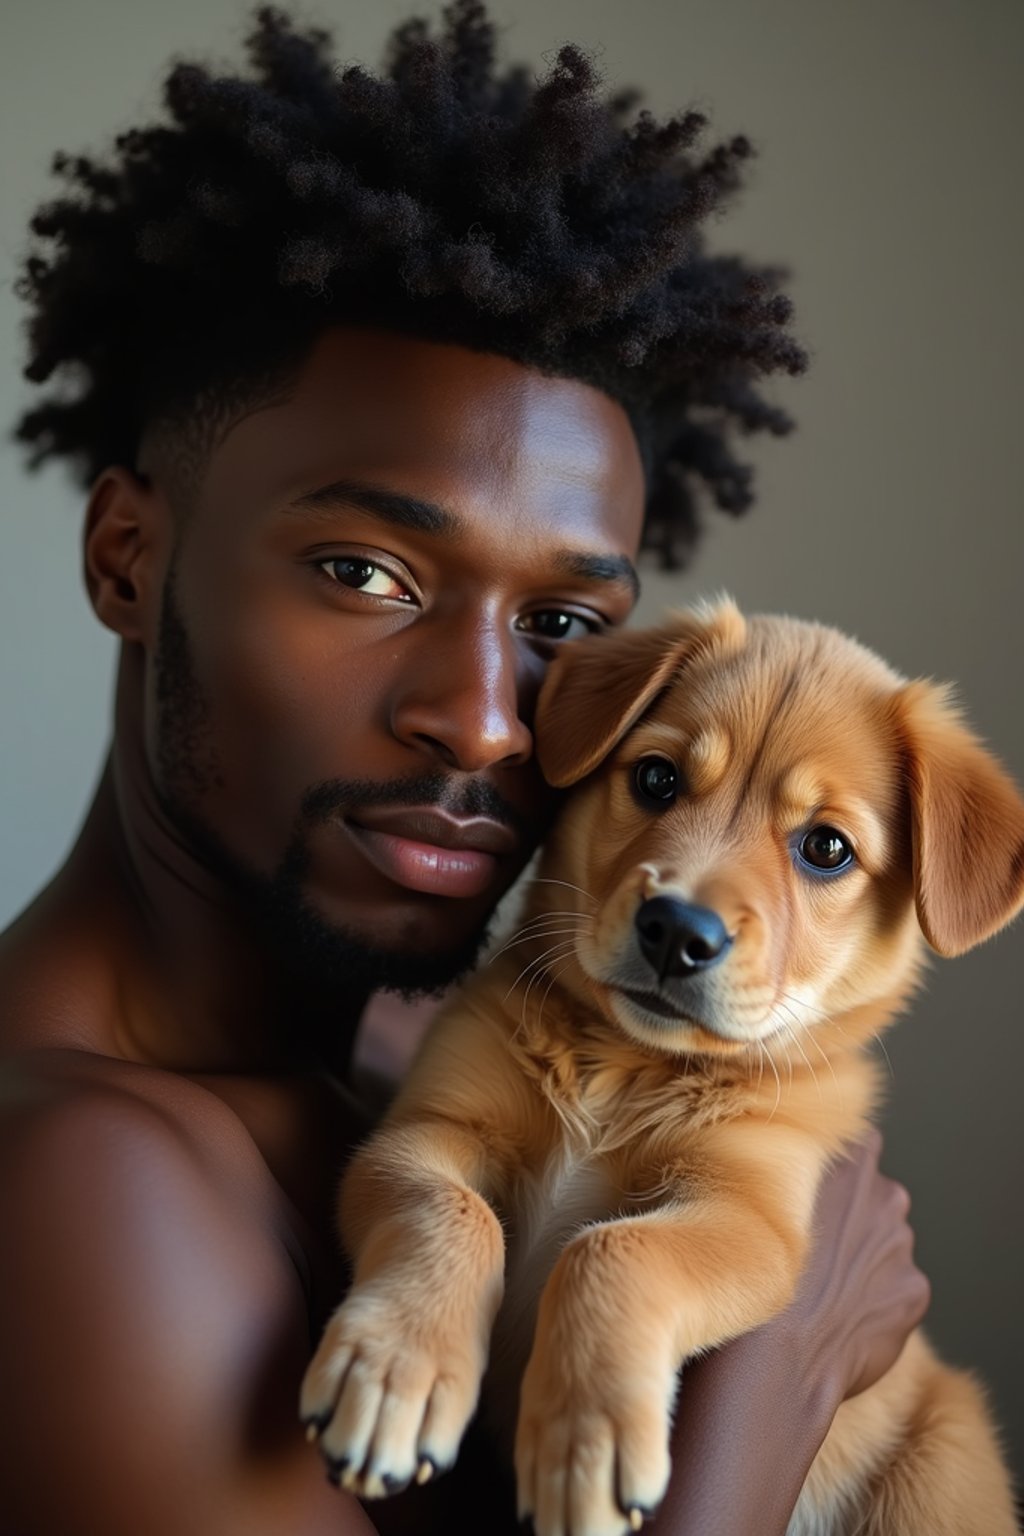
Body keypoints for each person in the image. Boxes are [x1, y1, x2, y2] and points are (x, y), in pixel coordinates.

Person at [0, 5, 930, 1534]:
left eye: (562, 624)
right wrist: (788, 1360)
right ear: (126, 556)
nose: (491, 722)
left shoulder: (386, 1086)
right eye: (366, 573)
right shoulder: (87, 1190)